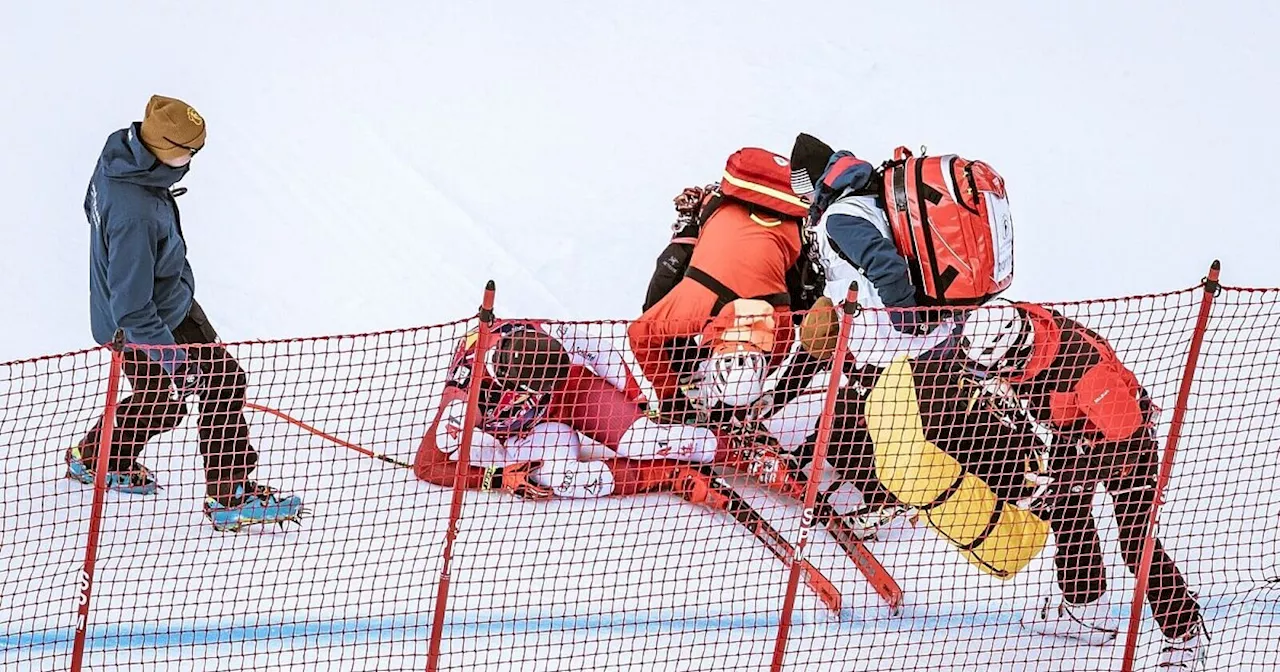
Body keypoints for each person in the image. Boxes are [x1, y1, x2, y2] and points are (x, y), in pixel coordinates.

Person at [68, 94, 303, 532]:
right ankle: (230, 494)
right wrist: (176, 362)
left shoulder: (121, 155)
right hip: (146, 324)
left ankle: (97, 458)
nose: (192, 159)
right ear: (165, 148)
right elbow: (133, 306)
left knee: (161, 402)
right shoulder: (134, 212)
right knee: (222, 380)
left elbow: (92, 210)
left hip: (159, 306)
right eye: (189, 152)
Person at [959, 298, 1207, 670]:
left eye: (997, 367)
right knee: (1068, 515)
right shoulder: (1027, 345)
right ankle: (1087, 610)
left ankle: (1185, 633)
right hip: (1075, 428)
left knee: (1135, 541)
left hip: (1126, 445)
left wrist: (1071, 481)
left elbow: (1126, 428)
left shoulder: (1085, 373)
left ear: (1015, 351)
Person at [413, 320, 791, 505]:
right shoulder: (464, 401)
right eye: (544, 383)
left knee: (645, 439)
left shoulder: (539, 333)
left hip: (575, 393)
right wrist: (496, 479)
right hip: (519, 433)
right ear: (521, 387)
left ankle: (745, 455)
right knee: (562, 481)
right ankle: (668, 475)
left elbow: (600, 352)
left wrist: (636, 400)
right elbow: (427, 465)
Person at [629, 147, 817, 424]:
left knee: (659, 313)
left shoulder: (781, 328)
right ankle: (694, 376)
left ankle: (694, 377)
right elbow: (639, 334)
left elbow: (639, 335)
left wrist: (670, 396)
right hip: (743, 219)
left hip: (756, 214)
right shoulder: (698, 304)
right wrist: (671, 397)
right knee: (660, 303)